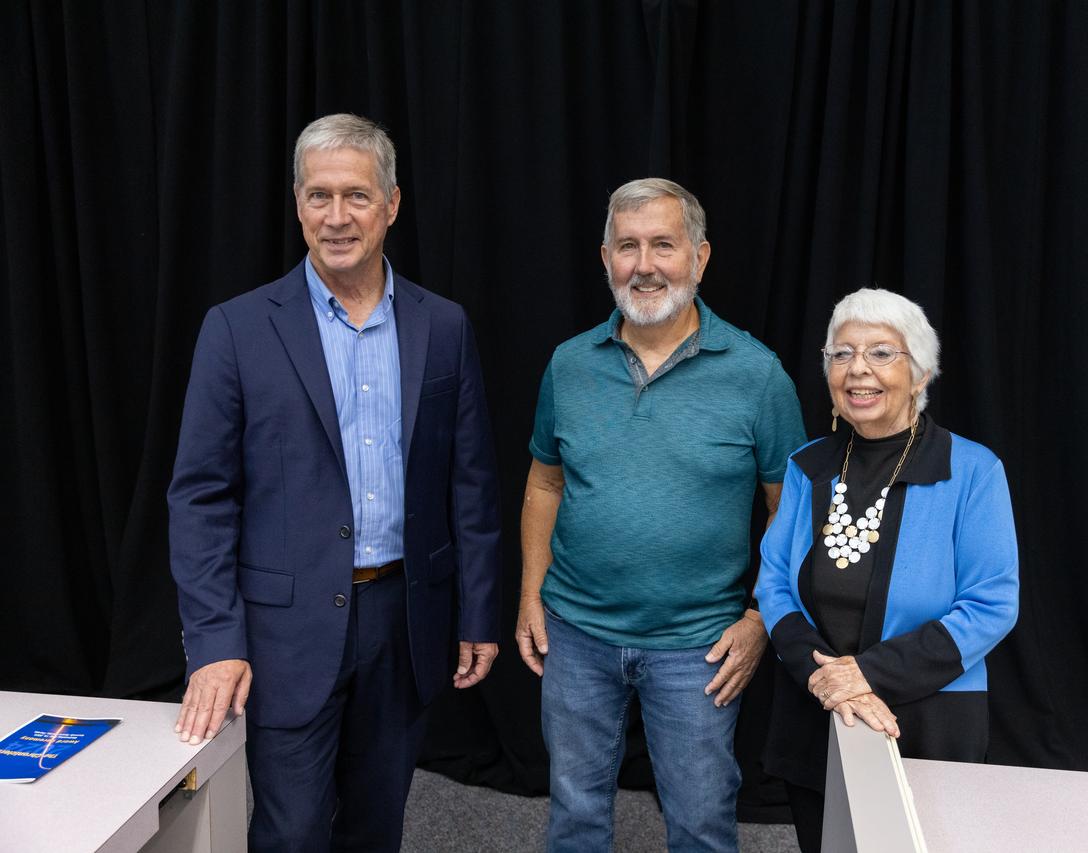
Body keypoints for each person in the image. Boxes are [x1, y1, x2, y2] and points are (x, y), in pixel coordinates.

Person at [167, 114, 502, 851]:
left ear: (391, 204)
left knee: (377, 826)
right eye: (319, 196)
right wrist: (215, 639)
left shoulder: (441, 326)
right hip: (284, 630)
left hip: (404, 618)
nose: (337, 216)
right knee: (290, 833)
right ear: (297, 204)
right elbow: (199, 497)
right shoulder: (237, 328)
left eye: (356, 195)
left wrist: (478, 610)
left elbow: (470, 483)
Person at [515, 178, 807, 852]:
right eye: (628, 246)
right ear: (605, 258)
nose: (644, 265)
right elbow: (543, 483)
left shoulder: (758, 375)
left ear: (699, 258)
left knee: (702, 825)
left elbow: (786, 511)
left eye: (663, 246)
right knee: (575, 816)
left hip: (698, 647)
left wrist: (762, 618)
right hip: (576, 635)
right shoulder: (569, 365)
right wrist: (531, 592)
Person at [754, 288, 1019, 853]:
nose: (858, 371)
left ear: (919, 373)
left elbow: (993, 603)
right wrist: (826, 678)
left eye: (881, 353)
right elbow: (774, 582)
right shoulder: (808, 467)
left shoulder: (971, 470)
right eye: (842, 354)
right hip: (817, 706)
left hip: (930, 718)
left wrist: (865, 674)